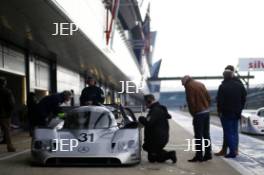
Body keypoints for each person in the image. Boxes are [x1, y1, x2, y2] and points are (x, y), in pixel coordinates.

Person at [216, 67, 247, 158]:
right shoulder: (239, 85)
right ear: (232, 75)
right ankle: (234, 150)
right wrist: (240, 109)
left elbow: (220, 101)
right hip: (237, 112)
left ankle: (232, 152)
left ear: (224, 77)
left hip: (226, 113)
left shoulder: (222, 86)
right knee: (234, 132)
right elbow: (244, 98)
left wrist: (220, 111)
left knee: (228, 132)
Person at [181, 75, 212, 162]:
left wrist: (194, 113)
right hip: (206, 112)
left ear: (185, 81)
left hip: (198, 114)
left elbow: (191, 101)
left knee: (198, 136)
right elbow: (208, 98)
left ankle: (199, 156)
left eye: (183, 84)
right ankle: (208, 154)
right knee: (206, 135)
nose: (183, 86)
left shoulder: (189, 87)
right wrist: (206, 107)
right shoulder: (200, 84)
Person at [139, 94, 177, 163]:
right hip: (160, 137)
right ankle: (158, 153)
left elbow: (149, 122)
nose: (145, 105)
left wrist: (141, 119)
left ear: (149, 101)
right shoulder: (159, 108)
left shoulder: (155, 110)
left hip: (157, 139)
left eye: (145, 103)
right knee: (151, 158)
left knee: (148, 149)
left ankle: (170, 154)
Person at [0, 77, 16, 152]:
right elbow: (11, 104)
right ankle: (10, 147)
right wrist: (9, 113)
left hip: (4, 114)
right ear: (4, 83)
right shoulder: (7, 91)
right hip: (4, 115)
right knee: (7, 131)